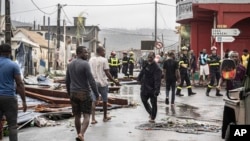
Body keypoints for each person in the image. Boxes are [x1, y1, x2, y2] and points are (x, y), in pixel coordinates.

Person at [66, 46, 100, 141]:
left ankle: (79, 134)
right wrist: (97, 95)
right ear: (79, 53)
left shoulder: (70, 65)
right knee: (86, 115)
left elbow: (67, 81)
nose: (87, 54)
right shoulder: (85, 64)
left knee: (77, 116)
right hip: (84, 93)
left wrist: (69, 93)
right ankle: (81, 134)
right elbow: (91, 80)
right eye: (85, 52)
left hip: (73, 93)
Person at [0, 43, 27, 141]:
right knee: (12, 125)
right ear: (10, 52)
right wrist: (24, 101)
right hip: (9, 98)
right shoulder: (13, 65)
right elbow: (19, 84)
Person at [217, 51, 246, 138]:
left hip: (241, 94)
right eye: (232, 56)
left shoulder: (242, 68)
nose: (234, 58)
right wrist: (219, 85)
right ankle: (225, 134)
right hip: (230, 95)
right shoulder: (227, 68)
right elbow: (222, 78)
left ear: (238, 57)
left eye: (236, 56)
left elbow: (245, 81)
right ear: (229, 57)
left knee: (241, 115)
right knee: (228, 115)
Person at [89, 46, 120, 124]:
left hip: (93, 83)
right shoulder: (104, 60)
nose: (105, 53)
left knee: (93, 100)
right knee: (105, 100)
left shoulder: (91, 60)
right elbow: (107, 73)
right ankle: (105, 117)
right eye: (104, 51)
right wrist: (114, 81)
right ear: (100, 51)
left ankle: (93, 118)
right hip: (103, 82)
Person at [137, 52, 162, 123]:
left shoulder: (156, 68)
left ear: (153, 58)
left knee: (153, 103)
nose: (149, 59)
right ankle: (151, 112)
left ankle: (153, 117)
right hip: (144, 86)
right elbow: (142, 72)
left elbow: (157, 80)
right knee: (144, 100)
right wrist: (139, 78)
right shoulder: (146, 64)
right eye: (148, 57)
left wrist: (157, 90)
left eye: (151, 57)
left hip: (152, 87)